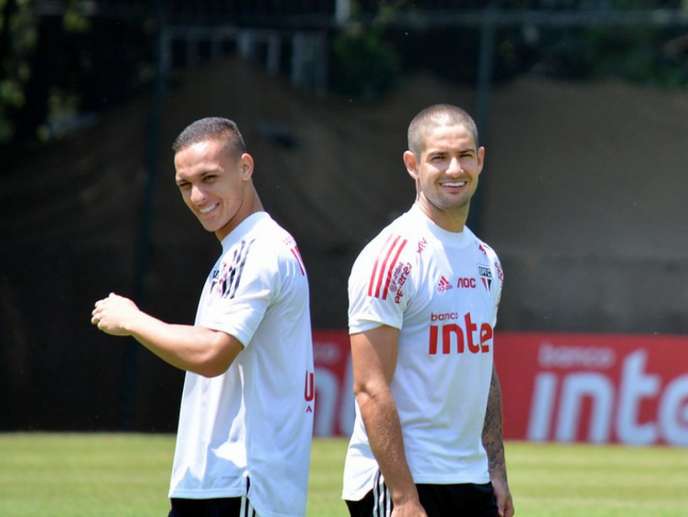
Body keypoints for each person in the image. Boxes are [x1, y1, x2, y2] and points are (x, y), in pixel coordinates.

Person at [90, 117, 315, 517]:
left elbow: (213, 353)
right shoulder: (239, 251)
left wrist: (133, 320)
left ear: (245, 167)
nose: (197, 196)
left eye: (210, 178)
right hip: (220, 486)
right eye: (185, 185)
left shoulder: (258, 250)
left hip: (241, 486)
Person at [342, 104, 515, 517]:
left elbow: (482, 370)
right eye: (439, 157)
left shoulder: (486, 260)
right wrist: (403, 497)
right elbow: (370, 386)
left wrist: (496, 470)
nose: (454, 169)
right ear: (412, 165)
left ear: (481, 160)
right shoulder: (391, 257)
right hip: (401, 484)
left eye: (465, 155)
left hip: (470, 479)